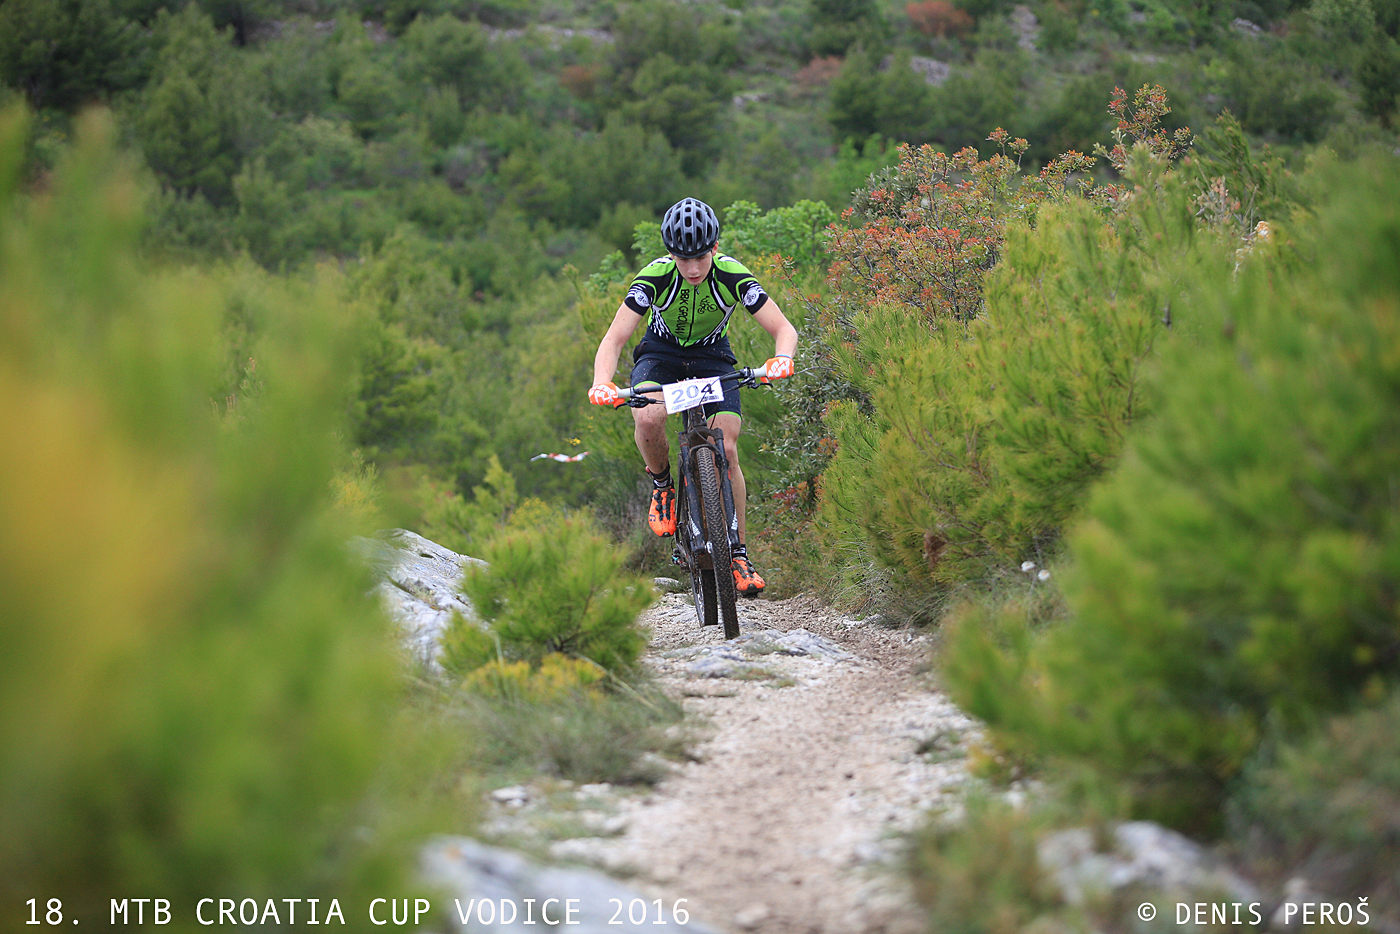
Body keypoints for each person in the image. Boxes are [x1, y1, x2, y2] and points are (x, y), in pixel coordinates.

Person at [589, 197, 798, 596]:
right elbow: (614, 339)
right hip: (661, 357)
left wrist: (782, 359)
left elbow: (784, 329)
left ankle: (737, 553)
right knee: (648, 417)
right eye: (684, 259)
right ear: (671, 255)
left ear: (715, 248)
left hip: (713, 358)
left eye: (701, 256)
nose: (694, 267)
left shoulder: (732, 275)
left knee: (729, 449)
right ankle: (664, 486)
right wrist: (602, 382)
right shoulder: (654, 278)